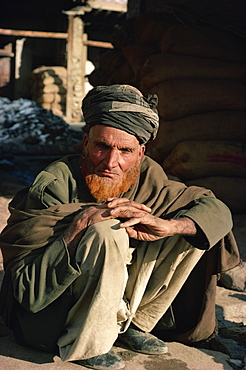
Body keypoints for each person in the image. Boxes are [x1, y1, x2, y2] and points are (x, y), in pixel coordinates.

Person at [0, 85, 241, 370]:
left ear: (140, 154)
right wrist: (78, 227)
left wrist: (168, 226)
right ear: (86, 142)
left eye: (124, 151)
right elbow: (29, 291)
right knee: (106, 231)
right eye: (102, 146)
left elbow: (217, 211)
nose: (110, 162)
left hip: (121, 298)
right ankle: (91, 341)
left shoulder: (149, 177)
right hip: (50, 317)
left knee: (189, 227)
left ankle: (133, 324)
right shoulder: (53, 185)